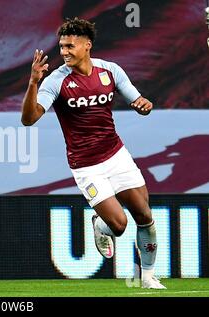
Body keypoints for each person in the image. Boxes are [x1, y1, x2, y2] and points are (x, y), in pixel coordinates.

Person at [21, 17, 166, 289]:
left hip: (116, 154)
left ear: (87, 45)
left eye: (70, 46)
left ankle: (147, 278)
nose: (64, 52)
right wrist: (33, 83)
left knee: (145, 216)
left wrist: (143, 104)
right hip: (86, 165)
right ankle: (100, 223)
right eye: (62, 46)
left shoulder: (110, 71)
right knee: (119, 225)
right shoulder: (56, 80)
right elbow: (29, 119)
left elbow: (137, 100)